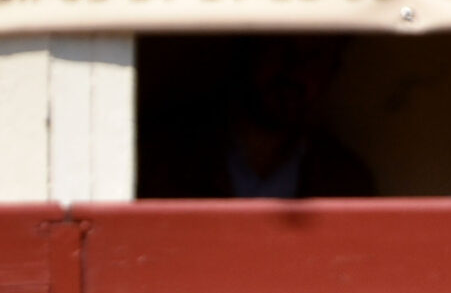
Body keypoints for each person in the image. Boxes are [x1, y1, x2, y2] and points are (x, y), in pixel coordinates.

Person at [151, 35, 375, 201]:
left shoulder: (346, 181)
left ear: (332, 71)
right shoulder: (165, 159)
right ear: (248, 51)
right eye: (281, 48)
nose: (294, 69)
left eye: (314, 56)